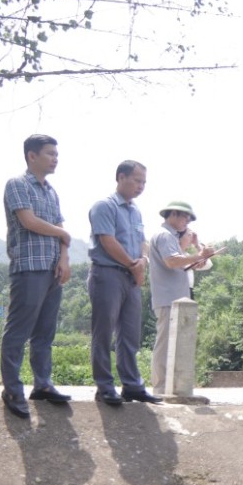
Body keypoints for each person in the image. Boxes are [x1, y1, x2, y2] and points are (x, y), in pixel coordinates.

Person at [0, 134, 73, 419]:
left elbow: (61, 228)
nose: (55, 158)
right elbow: (28, 221)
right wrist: (63, 233)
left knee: (45, 333)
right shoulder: (17, 184)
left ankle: (42, 385)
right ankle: (12, 389)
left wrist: (65, 259)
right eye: (50, 153)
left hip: (54, 270)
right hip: (29, 267)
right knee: (18, 332)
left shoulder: (51, 191)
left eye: (56, 153)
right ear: (32, 156)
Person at [87, 160, 162, 405]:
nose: (141, 186)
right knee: (104, 332)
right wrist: (134, 264)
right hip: (107, 274)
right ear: (121, 177)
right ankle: (105, 386)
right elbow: (107, 241)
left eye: (144, 182)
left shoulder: (135, 211)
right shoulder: (104, 206)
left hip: (131, 276)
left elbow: (143, 240)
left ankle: (131, 385)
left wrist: (142, 261)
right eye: (137, 180)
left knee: (130, 333)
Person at [148, 201, 217, 394]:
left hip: (177, 298)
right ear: (174, 215)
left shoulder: (170, 238)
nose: (187, 222)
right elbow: (172, 261)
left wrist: (197, 252)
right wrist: (197, 255)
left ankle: (172, 387)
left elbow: (184, 262)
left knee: (176, 345)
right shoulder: (165, 236)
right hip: (168, 297)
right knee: (165, 344)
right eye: (185, 217)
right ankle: (161, 387)